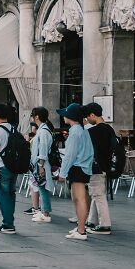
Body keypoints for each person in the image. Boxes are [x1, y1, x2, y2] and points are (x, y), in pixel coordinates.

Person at [57, 103, 94, 241]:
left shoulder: (75, 131)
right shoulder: (82, 130)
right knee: (79, 198)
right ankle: (80, 227)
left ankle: (81, 230)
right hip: (83, 168)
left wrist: (63, 172)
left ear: (70, 116)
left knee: (79, 199)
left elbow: (70, 155)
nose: (63, 117)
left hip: (77, 168)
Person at [83, 102, 113, 235]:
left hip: (97, 167)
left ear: (92, 115)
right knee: (96, 193)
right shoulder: (109, 129)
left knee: (98, 195)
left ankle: (105, 225)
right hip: (106, 166)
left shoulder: (93, 131)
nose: (87, 120)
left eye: (87, 117)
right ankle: (92, 220)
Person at [0, 104, 18, 234]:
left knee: (3, 197)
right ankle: (9, 222)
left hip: (0, 168)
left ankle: (8, 224)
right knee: (10, 195)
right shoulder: (13, 129)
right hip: (13, 167)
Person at [26, 109, 55, 219]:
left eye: (32, 115)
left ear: (36, 117)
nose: (31, 118)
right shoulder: (43, 130)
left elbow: (42, 149)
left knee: (43, 188)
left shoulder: (43, 131)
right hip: (39, 163)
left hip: (40, 164)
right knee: (41, 187)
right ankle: (44, 210)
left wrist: (41, 165)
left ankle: (45, 213)